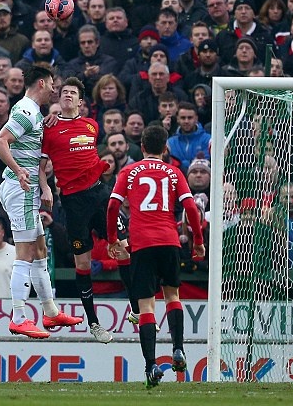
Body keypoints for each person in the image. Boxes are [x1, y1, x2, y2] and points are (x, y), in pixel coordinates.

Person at [107, 125, 205, 389]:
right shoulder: (174, 172)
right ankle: (178, 348)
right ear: (165, 148)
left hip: (141, 244)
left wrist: (112, 238)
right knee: (172, 296)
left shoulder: (128, 171)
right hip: (169, 240)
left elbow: (113, 205)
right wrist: (198, 240)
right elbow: (190, 207)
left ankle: (151, 365)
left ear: (141, 146)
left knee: (146, 306)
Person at [0, 65, 83, 339]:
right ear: (42, 83)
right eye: (53, 84)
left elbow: (29, 144)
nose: (55, 90)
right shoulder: (26, 111)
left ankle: (51, 312)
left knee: (40, 248)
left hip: (27, 189)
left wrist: (43, 185)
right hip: (20, 189)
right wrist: (19, 170)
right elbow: (0, 142)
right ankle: (18, 317)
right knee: (26, 253)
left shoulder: (33, 112)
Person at [42, 77, 123, 343]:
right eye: (64, 92)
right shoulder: (49, 129)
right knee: (83, 263)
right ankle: (94, 323)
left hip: (99, 194)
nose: (67, 95)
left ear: (80, 101)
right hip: (73, 203)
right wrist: (46, 189)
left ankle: (137, 309)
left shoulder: (92, 126)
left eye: (72, 92)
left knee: (124, 247)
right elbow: (42, 167)